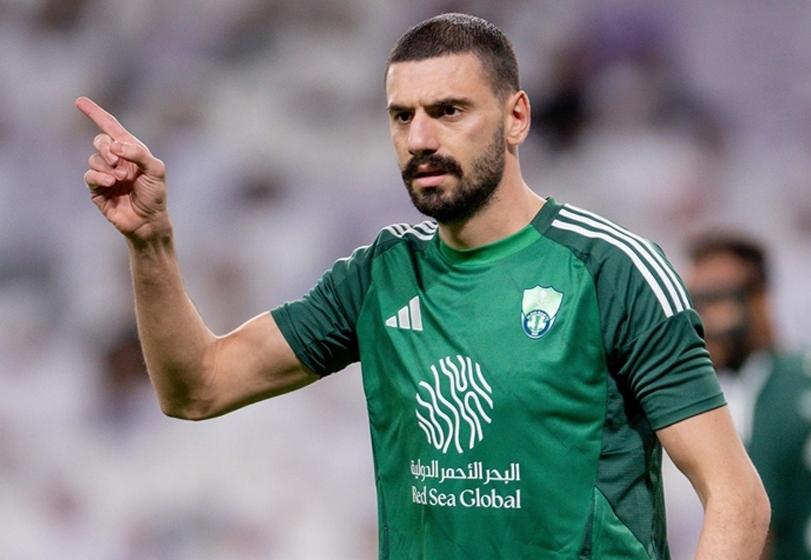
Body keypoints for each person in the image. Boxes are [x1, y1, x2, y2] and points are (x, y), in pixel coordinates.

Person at [76, 13, 769, 559]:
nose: (419, 139)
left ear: (517, 118)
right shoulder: (380, 276)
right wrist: (150, 240)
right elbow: (197, 387)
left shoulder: (612, 270)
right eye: (402, 115)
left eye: (449, 111)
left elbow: (738, 500)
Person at [685, 232, 811, 560]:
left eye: (714, 300)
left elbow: (752, 529)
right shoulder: (789, 378)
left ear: (758, 298)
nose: (700, 321)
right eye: (692, 305)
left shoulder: (769, 394)